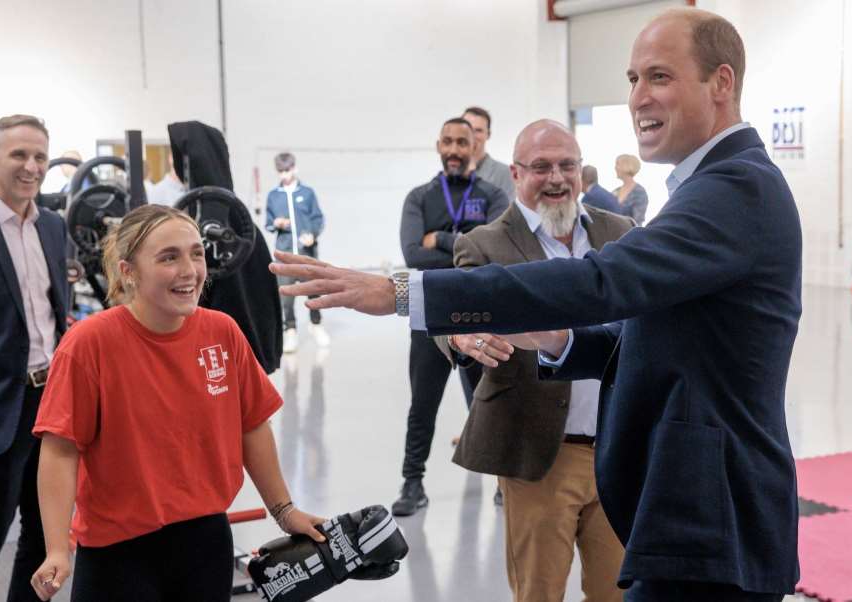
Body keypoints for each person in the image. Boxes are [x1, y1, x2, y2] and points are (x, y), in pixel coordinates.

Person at [270, 7, 801, 601]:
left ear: (721, 83)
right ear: (517, 172)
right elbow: (656, 332)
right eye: (631, 79)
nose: (636, 98)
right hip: (664, 500)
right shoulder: (711, 187)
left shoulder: (733, 188)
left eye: (658, 76)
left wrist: (399, 291)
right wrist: (562, 341)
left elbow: (599, 283)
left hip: (713, 513)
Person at [29, 204, 324, 601]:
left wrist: (284, 511)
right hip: (118, 553)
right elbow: (61, 450)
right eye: (169, 257)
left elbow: (252, 424)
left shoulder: (222, 332)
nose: (189, 270)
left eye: (196, 253)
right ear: (128, 271)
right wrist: (57, 549)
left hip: (205, 543)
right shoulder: (89, 343)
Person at [438, 120, 631, 602]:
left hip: (619, 448)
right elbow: (453, 311)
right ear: (517, 173)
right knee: (539, 593)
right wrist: (462, 336)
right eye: (541, 167)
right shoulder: (485, 243)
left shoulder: (621, 232)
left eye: (568, 165)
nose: (558, 178)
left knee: (620, 592)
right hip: (540, 451)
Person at [393, 117, 509, 516]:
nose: (456, 149)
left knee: (486, 400)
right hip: (428, 314)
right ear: (438, 145)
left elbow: (493, 254)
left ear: (475, 144)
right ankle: (412, 483)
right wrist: (468, 246)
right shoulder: (419, 197)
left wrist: (441, 239)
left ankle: (500, 479)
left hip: (479, 314)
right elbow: (412, 255)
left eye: (463, 141)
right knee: (423, 404)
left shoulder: (493, 195)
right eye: (448, 141)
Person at [0, 114, 69, 602]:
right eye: (19, 155)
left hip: (52, 403)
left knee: (45, 536)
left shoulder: (52, 226)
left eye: (39, 156)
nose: (31, 166)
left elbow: (55, 313)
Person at [264, 152, 328, 352]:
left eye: (288, 170)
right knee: (287, 296)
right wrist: (276, 223)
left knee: (314, 292)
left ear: (295, 168)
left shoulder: (307, 193)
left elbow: (318, 218)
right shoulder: (273, 196)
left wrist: (313, 234)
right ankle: (290, 330)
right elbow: (268, 222)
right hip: (285, 256)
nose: (285, 174)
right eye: (281, 171)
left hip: (306, 253)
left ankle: (316, 324)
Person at [462, 106, 516, 200]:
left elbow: (510, 212)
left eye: (478, 130)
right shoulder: (450, 172)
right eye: (468, 129)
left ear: (488, 134)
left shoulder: (505, 174)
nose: (471, 135)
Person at [612, 154, 649, 224]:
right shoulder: (616, 191)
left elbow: (637, 221)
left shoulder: (639, 192)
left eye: (617, 164)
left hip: (629, 233)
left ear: (626, 166)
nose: (615, 168)